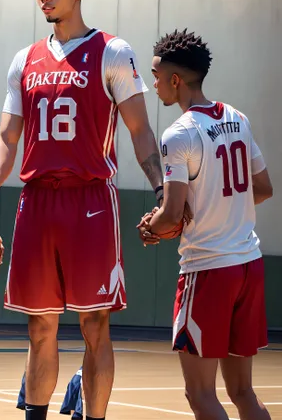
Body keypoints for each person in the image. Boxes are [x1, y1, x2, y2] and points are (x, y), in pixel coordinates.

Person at [0, 0, 164, 419]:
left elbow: (141, 131)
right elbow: (7, 137)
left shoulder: (112, 51)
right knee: (39, 328)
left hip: (90, 202)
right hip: (37, 201)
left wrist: (163, 190)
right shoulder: (24, 59)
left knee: (95, 324)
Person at [138, 29, 273, 420]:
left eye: (157, 76)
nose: (154, 83)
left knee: (200, 395)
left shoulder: (178, 133)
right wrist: (221, 205)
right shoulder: (238, 117)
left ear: (175, 80)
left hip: (208, 270)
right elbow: (262, 187)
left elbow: (173, 212)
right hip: (249, 264)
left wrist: (151, 226)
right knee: (243, 392)